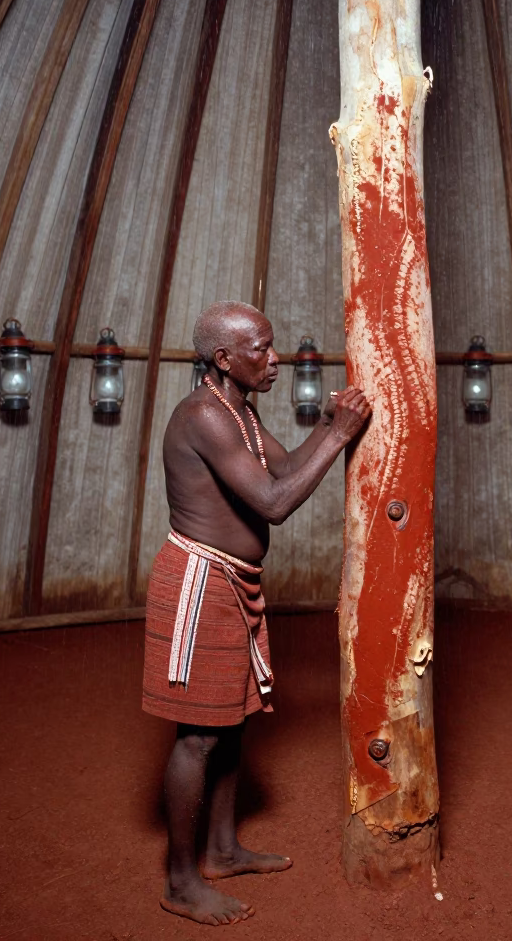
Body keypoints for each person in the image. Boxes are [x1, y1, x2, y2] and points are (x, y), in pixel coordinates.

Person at [142, 300, 370, 926]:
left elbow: (290, 467)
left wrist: (325, 428)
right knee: (197, 736)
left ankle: (220, 850)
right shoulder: (203, 418)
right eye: (261, 350)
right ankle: (182, 881)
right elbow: (274, 502)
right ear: (224, 358)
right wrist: (341, 434)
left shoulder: (239, 411)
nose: (275, 360)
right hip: (200, 580)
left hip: (234, 579)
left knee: (235, 719)